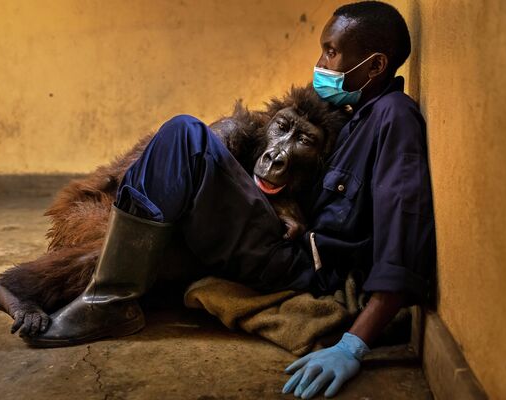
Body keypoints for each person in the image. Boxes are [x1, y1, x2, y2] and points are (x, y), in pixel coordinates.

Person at [24, 1, 436, 398]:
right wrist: (283, 206)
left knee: (185, 136)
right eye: (322, 51)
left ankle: (109, 300)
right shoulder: (347, 116)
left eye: (331, 52)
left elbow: (403, 238)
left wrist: (353, 345)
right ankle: (108, 287)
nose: (321, 65)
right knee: (187, 141)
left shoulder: (393, 117)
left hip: (298, 264)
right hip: (280, 236)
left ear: (376, 65)